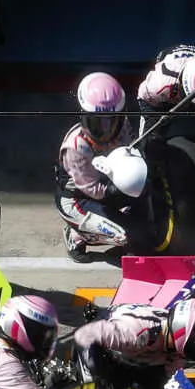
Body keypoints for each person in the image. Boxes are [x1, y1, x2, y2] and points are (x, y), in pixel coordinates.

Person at [56, 72, 137, 262]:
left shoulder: (124, 125)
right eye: (97, 122)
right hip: (78, 199)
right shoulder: (76, 146)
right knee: (127, 235)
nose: (106, 130)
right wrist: (127, 189)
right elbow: (95, 190)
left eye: (111, 121)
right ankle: (77, 235)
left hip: (110, 186)